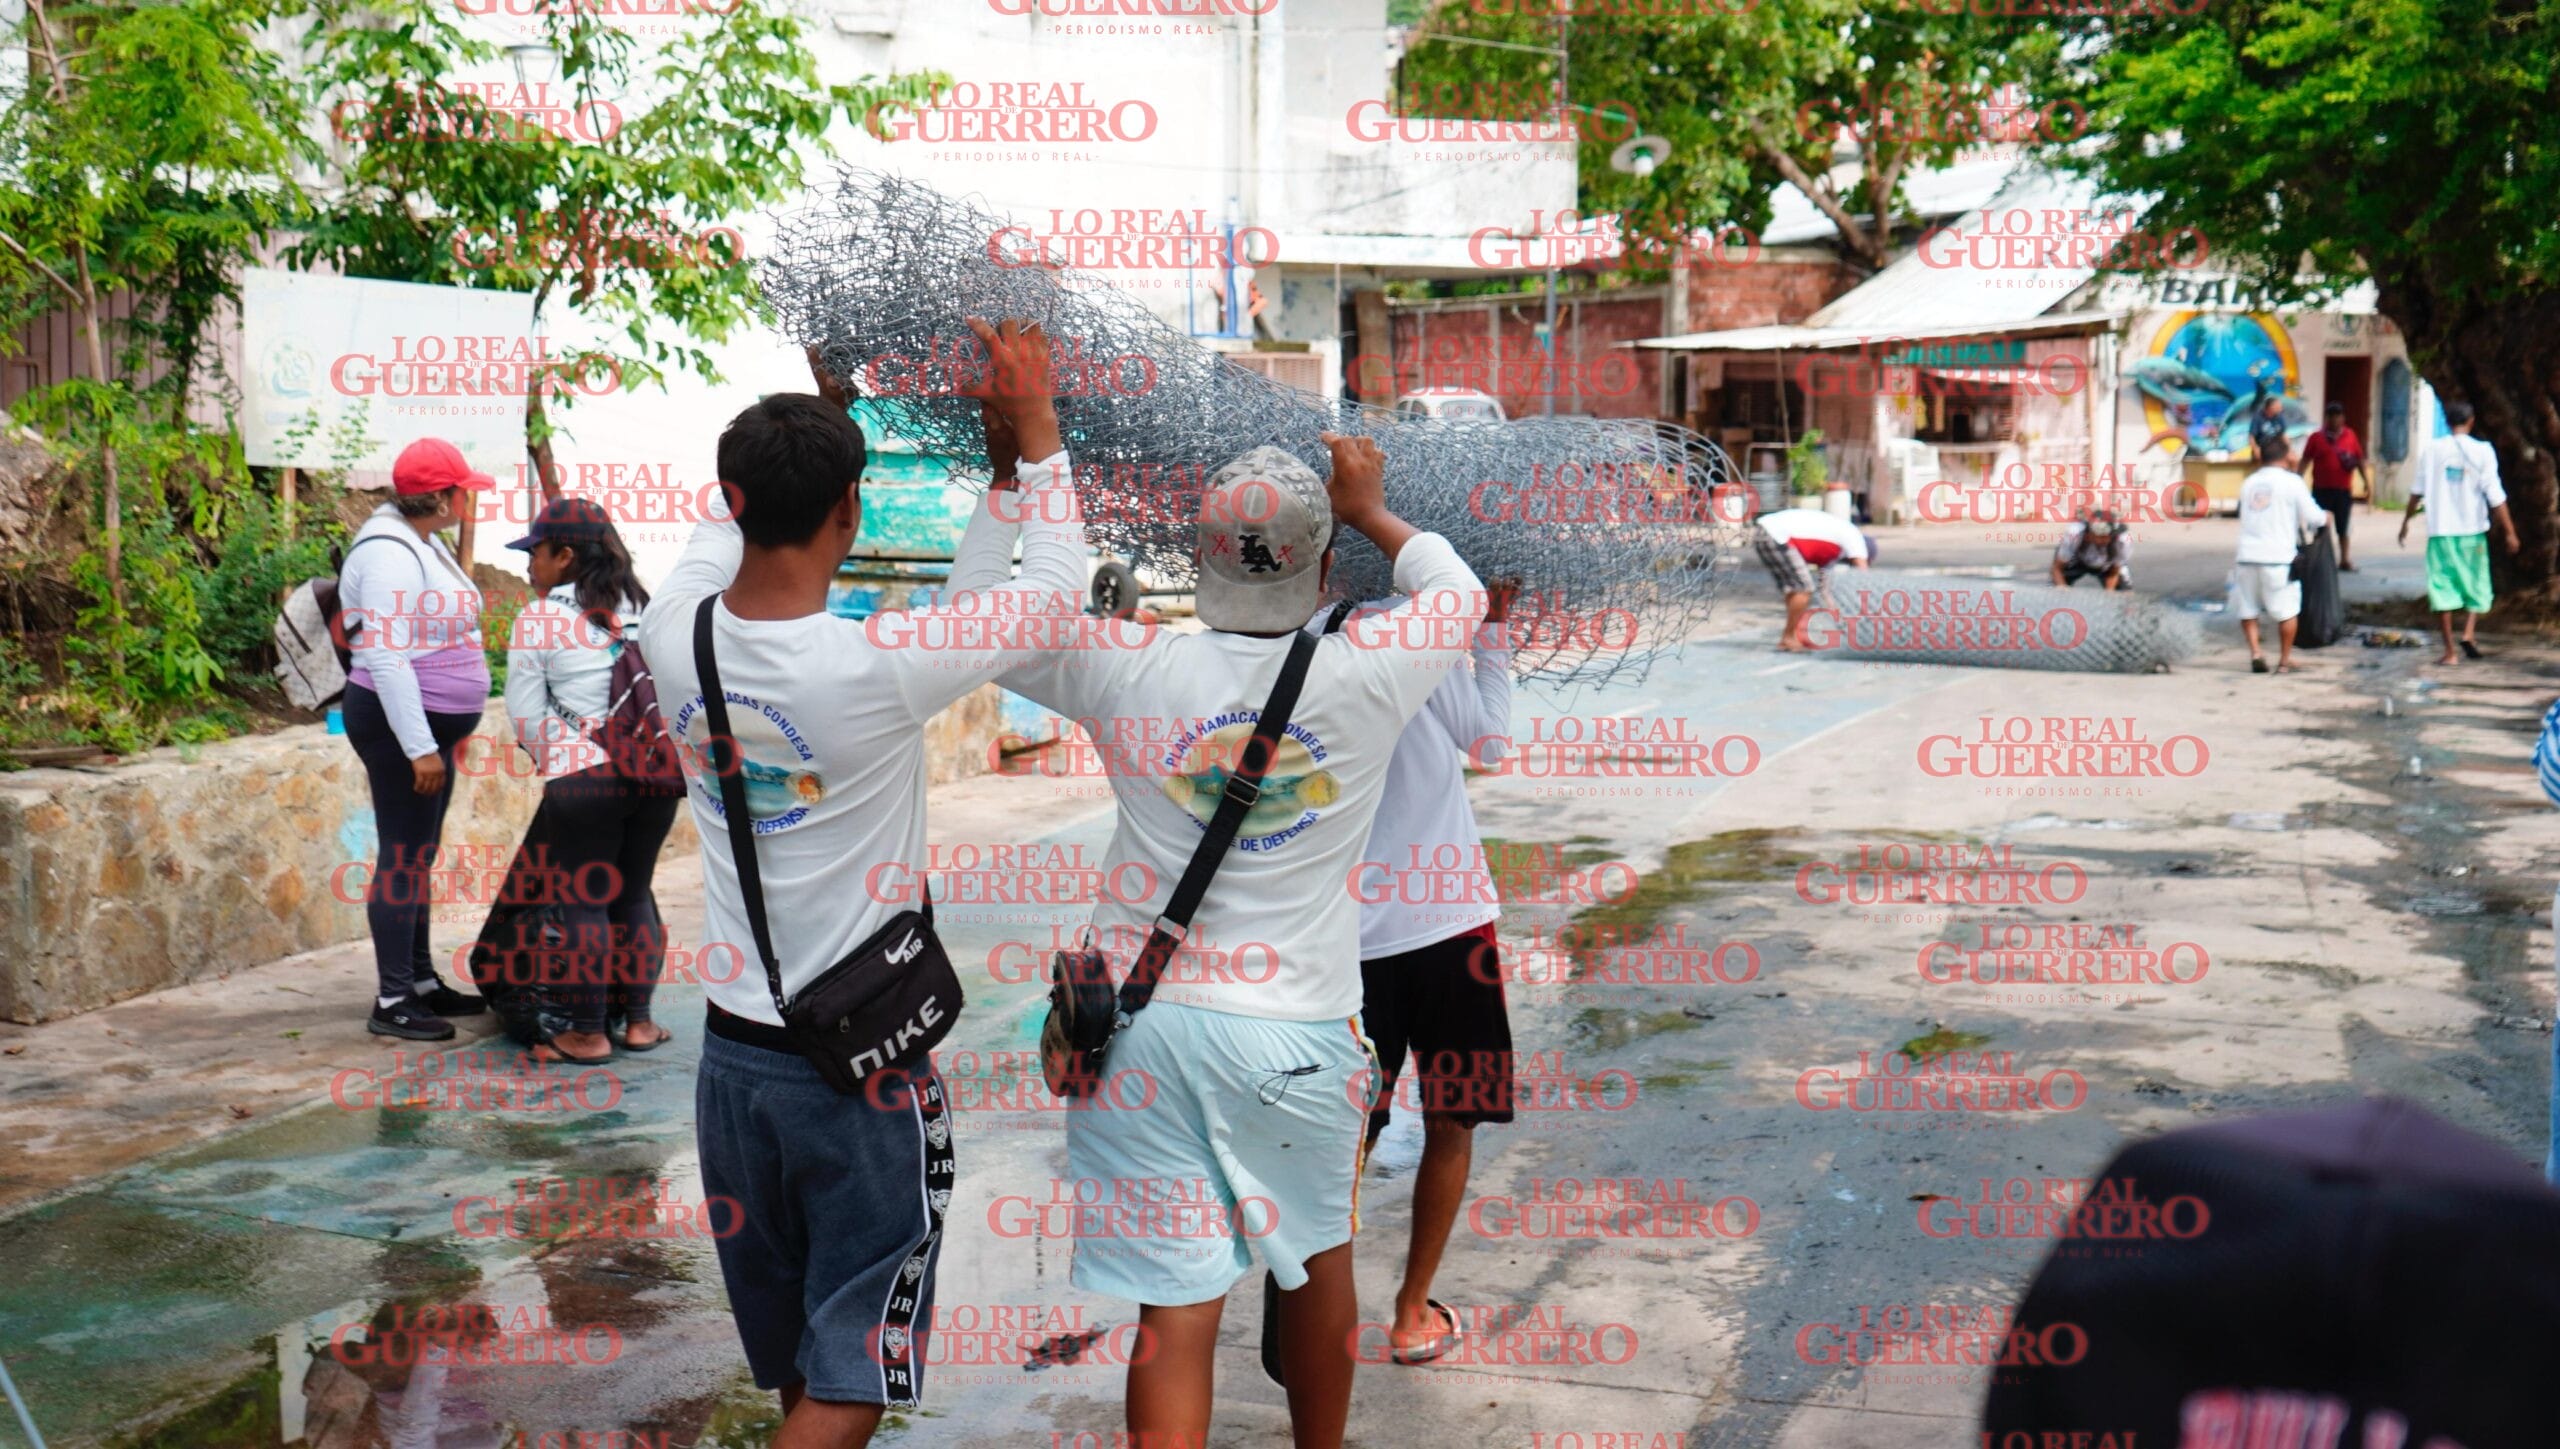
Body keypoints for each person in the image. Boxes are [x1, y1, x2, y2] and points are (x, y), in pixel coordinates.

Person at [961, 435, 1485, 1449]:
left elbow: (986, 618)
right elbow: (1453, 585)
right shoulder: (1370, 672)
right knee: (1319, 1258)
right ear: (1324, 568)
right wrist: (1372, 507)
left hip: (1142, 1035)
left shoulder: (1127, 664)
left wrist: (1012, 477)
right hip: (1299, 1035)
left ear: (1195, 559)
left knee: (1176, 1308)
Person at [634, 321, 1082, 1449]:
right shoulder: (871, 668)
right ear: (851, 513)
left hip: (733, 1063)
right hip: (859, 1070)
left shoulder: (670, 627)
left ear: (734, 499)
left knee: (802, 1351)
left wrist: (993, 476)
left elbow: (729, 520)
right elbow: (1052, 594)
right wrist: (1035, 434)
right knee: (854, 1372)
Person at [1338, 576, 1517, 1368]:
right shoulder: (1427, 625)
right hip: (1449, 924)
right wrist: (1494, 630)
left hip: (1345, 937)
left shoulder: (1297, 637)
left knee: (1344, 1135)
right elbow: (1490, 744)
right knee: (1454, 1118)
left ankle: (1312, 1309)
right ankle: (1412, 1314)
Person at [500, 496, 678, 1063]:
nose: (530, 565)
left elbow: (526, 716)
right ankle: (641, 1025)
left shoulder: (541, 619)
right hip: (653, 773)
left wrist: (564, 762)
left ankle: (586, 1032)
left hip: (585, 780)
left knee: (583, 900)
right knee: (632, 893)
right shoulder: (648, 606)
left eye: (537, 553)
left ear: (566, 555)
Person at [340, 438, 496, 1042]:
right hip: (400, 726)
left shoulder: (418, 542)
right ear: (446, 496)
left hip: (429, 725)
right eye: (465, 490)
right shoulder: (388, 555)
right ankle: (393, 998)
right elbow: (384, 653)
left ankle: (421, 980)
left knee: (417, 856)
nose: (469, 499)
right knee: (402, 859)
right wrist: (418, 747)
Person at [2400, 399, 2519, 665]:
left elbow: (2416, 492)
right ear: (2471, 421)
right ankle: (2468, 632)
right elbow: (2495, 495)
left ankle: (2450, 652)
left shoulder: (2431, 450)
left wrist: (2405, 521)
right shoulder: (2483, 451)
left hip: (2440, 533)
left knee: (2442, 590)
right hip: (2472, 533)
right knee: (2477, 585)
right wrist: (2510, 531)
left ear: (2447, 420)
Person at [2231, 434, 2324, 674]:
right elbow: (2314, 516)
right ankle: (2284, 660)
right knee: (2287, 610)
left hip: (2247, 555)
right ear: (2285, 455)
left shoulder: (2249, 482)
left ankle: (2256, 652)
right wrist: (2327, 518)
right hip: (2278, 558)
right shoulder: (2292, 482)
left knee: (2248, 607)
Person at [1752, 505, 1872, 651]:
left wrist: (1841, 619)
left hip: (1764, 531)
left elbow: (1824, 589)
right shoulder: (1855, 538)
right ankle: (1788, 638)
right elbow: (1864, 576)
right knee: (1803, 589)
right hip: (1777, 534)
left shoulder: (1832, 550)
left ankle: (1791, 636)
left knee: (1794, 588)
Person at [2297, 401, 2370, 570]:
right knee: (2319, 526)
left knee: (2343, 527)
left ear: (2343, 418)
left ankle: (2344, 560)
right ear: (2326, 418)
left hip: (2343, 490)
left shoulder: (2350, 436)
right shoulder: (2316, 438)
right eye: (2331, 416)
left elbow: (2359, 460)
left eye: (2338, 416)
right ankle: (2318, 560)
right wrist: (2297, 481)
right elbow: (2305, 460)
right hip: (2321, 489)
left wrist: (2366, 482)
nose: (2335, 420)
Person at [2048, 509, 2130, 590]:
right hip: (2076, 559)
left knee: (2124, 594)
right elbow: (2057, 568)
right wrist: (2062, 588)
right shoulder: (2074, 534)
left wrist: (2109, 595)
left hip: (2107, 564)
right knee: (2054, 590)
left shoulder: (2122, 540)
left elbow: (2114, 572)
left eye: (2108, 536)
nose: (2105, 540)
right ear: (2089, 534)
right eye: (2101, 537)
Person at [2248, 389, 2291, 464]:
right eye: (2278, 407)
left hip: (2276, 448)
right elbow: (2251, 437)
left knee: (2293, 459)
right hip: (2263, 448)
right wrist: (2255, 449)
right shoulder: (2258, 417)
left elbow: (2283, 435)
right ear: (2270, 408)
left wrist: (2289, 449)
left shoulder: (2279, 417)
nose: (2280, 409)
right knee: (2260, 458)